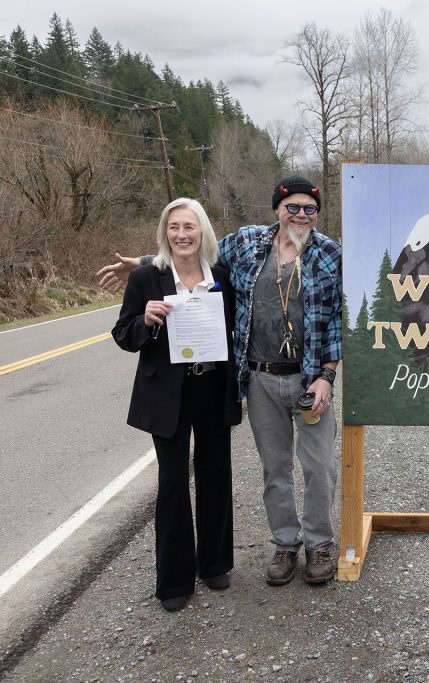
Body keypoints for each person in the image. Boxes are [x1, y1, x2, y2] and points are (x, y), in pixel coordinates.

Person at [100, 176, 343, 586]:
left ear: (317, 214)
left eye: (309, 209)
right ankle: (285, 544)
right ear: (277, 209)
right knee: (275, 470)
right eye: (292, 207)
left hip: (309, 378)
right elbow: (188, 251)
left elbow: (340, 318)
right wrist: (141, 263)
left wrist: (328, 376)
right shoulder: (247, 244)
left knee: (318, 467)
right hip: (260, 378)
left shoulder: (332, 255)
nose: (300, 215)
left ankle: (319, 544)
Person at [112, 198, 242, 612]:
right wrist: (145, 321)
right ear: (164, 233)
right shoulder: (147, 278)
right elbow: (123, 334)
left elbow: (237, 326)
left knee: (215, 473)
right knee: (172, 482)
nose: (182, 234)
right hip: (167, 392)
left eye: (189, 226)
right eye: (174, 228)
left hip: (212, 385)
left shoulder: (221, 275)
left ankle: (215, 563)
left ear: (202, 231)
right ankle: (174, 581)